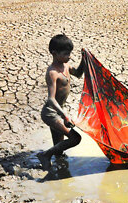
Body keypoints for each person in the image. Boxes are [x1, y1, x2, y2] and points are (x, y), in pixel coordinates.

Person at [37, 34, 84, 171]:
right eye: (66, 54)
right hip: (51, 113)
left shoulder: (66, 66)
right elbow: (51, 99)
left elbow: (79, 73)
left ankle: (59, 168)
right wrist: (64, 116)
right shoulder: (52, 72)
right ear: (54, 53)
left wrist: (84, 59)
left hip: (59, 111)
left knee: (59, 149)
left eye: (70, 53)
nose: (69, 56)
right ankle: (44, 155)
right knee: (75, 138)